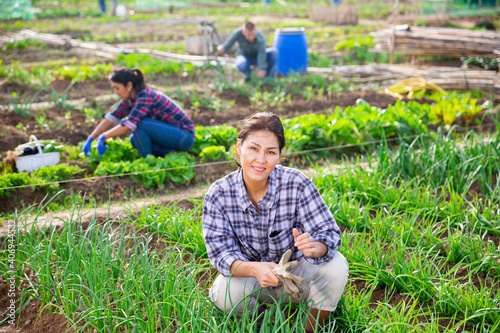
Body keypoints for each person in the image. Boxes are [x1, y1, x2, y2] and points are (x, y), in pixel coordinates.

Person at [202, 112, 348, 333]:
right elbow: (221, 255)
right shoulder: (219, 194)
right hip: (252, 279)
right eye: (254, 148)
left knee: (336, 266)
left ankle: (307, 328)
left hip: (297, 277)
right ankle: (261, 323)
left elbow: (328, 233)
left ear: (279, 156)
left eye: (270, 152)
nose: (261, 160)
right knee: (225, 293)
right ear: (239, 147)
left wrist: (315, 247)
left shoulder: (296, 183)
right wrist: (256, 269)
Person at [82, 68, 195, 159]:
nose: (115, 92)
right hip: (171, 136)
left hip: (184, 137)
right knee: (134, 140)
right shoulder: (129, 98)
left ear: (129, 86)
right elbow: (112, 117)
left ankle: (147, 161)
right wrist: (91, 137)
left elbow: (129, 124)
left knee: (139, 123)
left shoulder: (145, 95)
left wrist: (104, 136)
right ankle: (172, 153)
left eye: (117, 88)